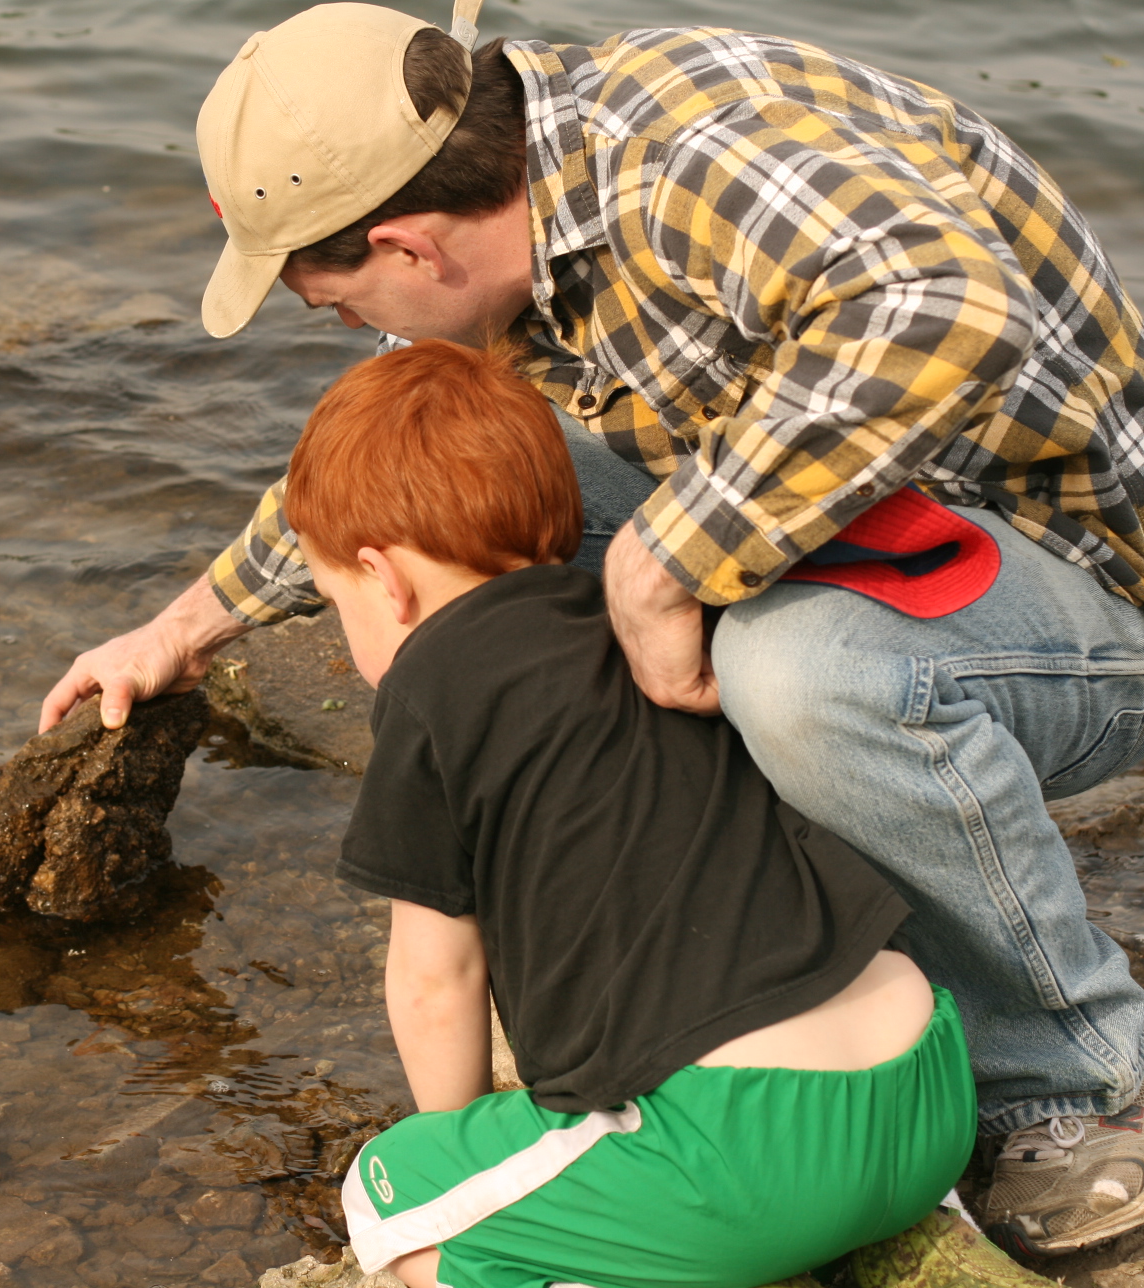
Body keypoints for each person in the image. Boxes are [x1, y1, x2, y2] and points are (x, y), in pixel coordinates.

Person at [39, 1, 1144, 1254]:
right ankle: (739, 963)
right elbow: (400, 489)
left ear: (407, 242)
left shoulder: (682, 167)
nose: (339, 324)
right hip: (876, 517)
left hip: (1086, 592)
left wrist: (667, 568)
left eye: (322, 294)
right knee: (489, 483)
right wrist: (186, 626)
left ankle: (1089, 1079)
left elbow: (949, 301)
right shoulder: (517, 222)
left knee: (792, 673)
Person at [291, 337, 1048, 1288]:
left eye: (334, 600)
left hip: (740, 1153)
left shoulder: (430, 687)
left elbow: (436, 981)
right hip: (926, 1087)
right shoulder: (650, 629)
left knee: (387, 1198)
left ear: (385, 578)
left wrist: (463, 1148)